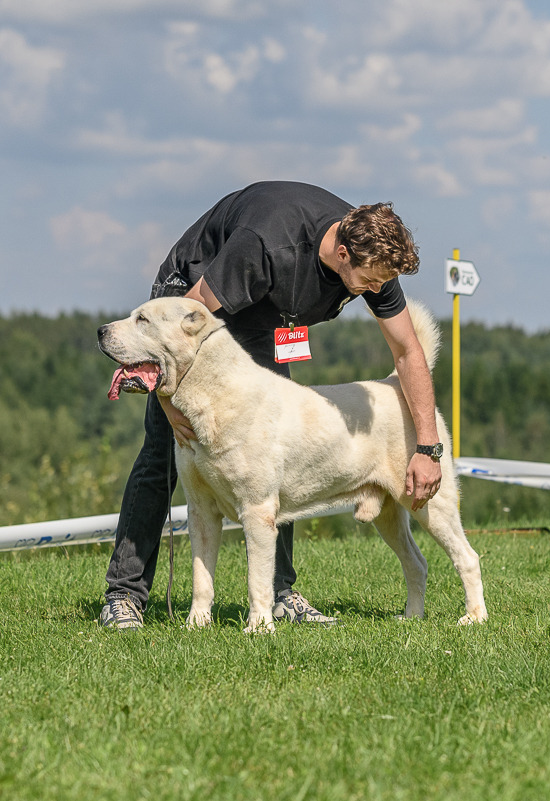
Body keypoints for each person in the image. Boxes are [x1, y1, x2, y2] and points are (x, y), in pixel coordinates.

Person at [99, 181, 444, 629]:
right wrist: (169, 401)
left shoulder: (372, 253)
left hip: (264, 315)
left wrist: (428, 446)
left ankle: (279, 594)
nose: (377, 289)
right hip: (190, 302)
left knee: (276, 449)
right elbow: (190, 319)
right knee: (165, 450)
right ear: (343, 254)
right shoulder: (265, 244)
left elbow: (408, 351)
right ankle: (124, 596)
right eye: (371, 281)